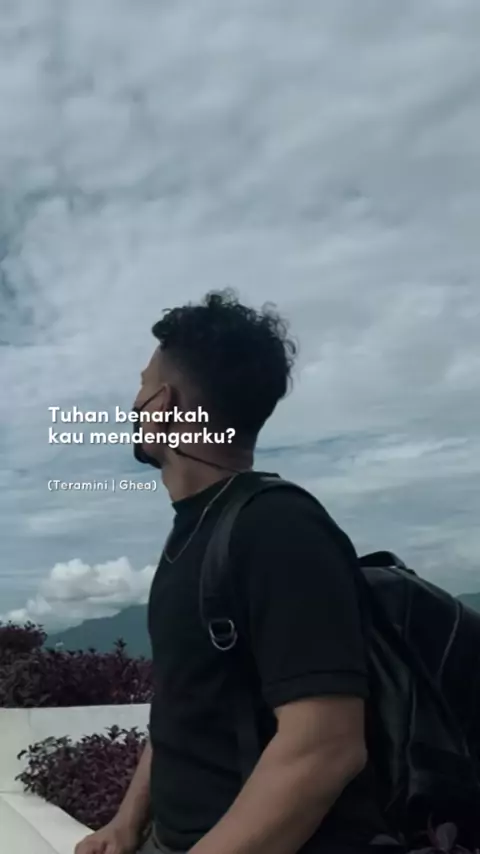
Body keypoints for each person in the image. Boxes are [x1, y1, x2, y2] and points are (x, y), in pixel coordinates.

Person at [75, 290, 392, 854]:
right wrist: (127, 823)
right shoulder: (197, 532)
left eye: (142, 387)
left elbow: (325, 748)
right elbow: (183, 703)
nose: (134, 404)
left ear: (164, 405)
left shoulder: (277, 527)